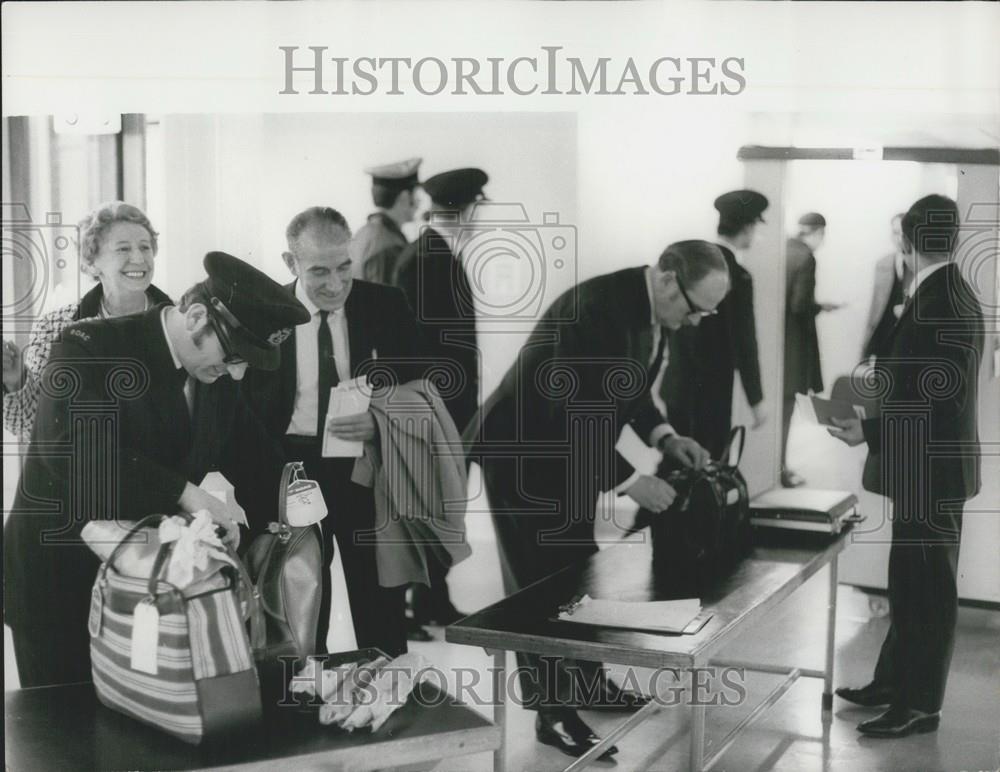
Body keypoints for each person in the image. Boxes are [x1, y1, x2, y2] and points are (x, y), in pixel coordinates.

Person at [466, 240, 725, 759]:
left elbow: (627, 390)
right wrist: (632, 482)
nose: (697, 321)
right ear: (670, 280)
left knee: (575, 573)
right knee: (540, 586)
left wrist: (665, 438)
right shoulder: (598, 309)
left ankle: (586, 684)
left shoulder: (647, 310)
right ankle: (551, 714)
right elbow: (573, 410)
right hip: (526, 454)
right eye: (696, 308)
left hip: (567, 457)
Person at [3, 251, 308, 688]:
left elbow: (257, 460)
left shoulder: (214, 376)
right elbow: (75, 456)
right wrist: (185, 494)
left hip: (144, 590)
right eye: (234, 355)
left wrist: (287, 521)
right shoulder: (88, 346)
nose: (237, 375)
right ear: (198, 315)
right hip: (58, 584)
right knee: (67, 740)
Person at [241, 206, 428, 658]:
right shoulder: (263, 317)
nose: (335, 284)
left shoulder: (385, 305)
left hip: (363, 467)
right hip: (291, 469)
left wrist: (382, 419)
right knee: (301, 600)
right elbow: (241, 412)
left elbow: (426, 387)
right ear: (291, 263)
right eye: (319, 271)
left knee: (380, 600)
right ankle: (306, 699)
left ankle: (387, 701)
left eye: (345, 267)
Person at [829, 195, 984, 738]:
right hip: (925, 469)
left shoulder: (941, 300)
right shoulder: (941, 291)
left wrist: (866, 430)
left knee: (930, 592)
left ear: (906, 239)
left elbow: (939, 402)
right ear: (954, 238)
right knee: (910, 582)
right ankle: (893, 682)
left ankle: (921, 705)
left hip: (932, 473)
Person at [393, 168, 486, 628]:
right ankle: (426, 600)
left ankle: (432, 600)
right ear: (465, 209)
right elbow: (415, 348)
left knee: (442, 506)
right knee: (436, 507)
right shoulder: (428, 258)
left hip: (447, 410)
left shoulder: (434, 254)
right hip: (439, 412)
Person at [3, 202, 172, 441]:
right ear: (91, 262)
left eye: (145, 247)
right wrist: (15, 380)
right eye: (123, 249)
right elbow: (31, 427)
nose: (139, 258)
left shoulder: (178, 323)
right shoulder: (55, 326)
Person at [661, 190, 767, 460]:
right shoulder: (736, 274)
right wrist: (756, 400)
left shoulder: (693, 262)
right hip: (711, 390)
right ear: (748, 228)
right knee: (706, 468)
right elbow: (745, 340)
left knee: (678, 463)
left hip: (676, 383)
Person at [781, 212, 842, 487]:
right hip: (794, 346)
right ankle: (780, 467)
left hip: (776, 343)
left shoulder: (782, 248)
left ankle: (774, 465)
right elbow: (799, 305)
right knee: (787, 408)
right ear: (817, 232)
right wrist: (820, 307)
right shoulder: (806, 257)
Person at [350, 157, 422, 284]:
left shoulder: (364, 233)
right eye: (415, 195)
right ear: (404, 197)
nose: (418, 203)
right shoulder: (388, 246)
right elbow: (385, 301)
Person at [860, 213, 911, 362]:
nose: (899, 238)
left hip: (907, 340)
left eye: (903, 233)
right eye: (895, 233)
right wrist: (866, 347)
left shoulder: (920, 264)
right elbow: (875, 308)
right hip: (884, 338)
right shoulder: (883, 263)